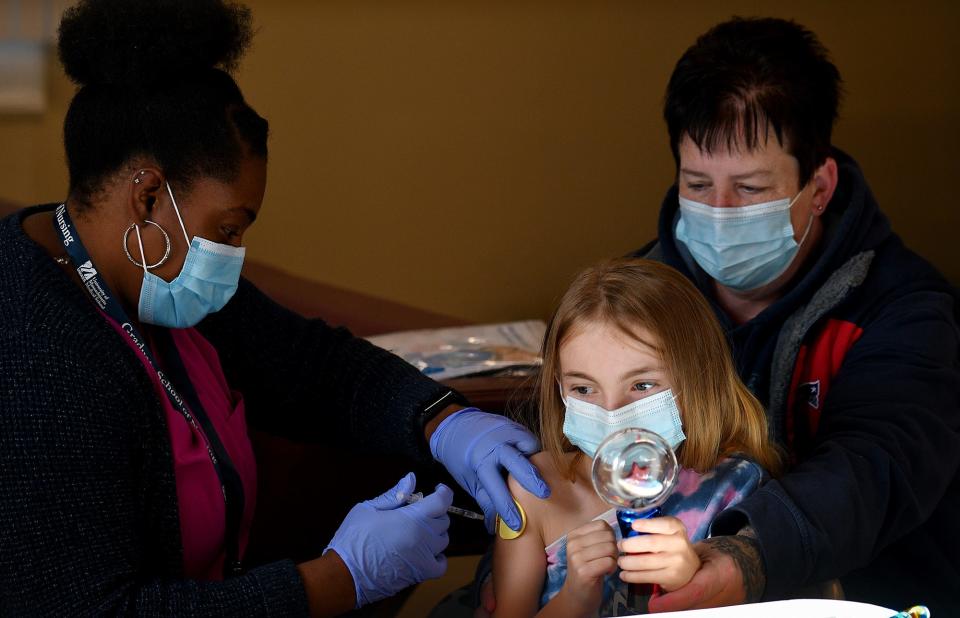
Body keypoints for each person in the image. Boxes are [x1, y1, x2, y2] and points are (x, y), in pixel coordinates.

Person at [0, 1, 548, 615]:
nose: (235, 253)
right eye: (229, 228)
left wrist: (445, 424)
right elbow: (99, 611)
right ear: (149, 196)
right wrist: (338, 580)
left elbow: (312, 367)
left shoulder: (158, 280)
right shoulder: (31, 357)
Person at [626, 16, 960, 614]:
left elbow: (874, 468)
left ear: (821, 185)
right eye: (698, 184)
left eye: (751, 189)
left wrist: (749, 558)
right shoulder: (634, 304)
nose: (720, 212)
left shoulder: (906, 310)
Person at [491, 258, 783, 617]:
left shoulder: (736, 488)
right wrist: (576, 596)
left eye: (642, 385)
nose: (613, 412)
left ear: (698, 381)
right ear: (559, 388)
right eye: (584, 388)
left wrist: (689, 582)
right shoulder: (532, 489)